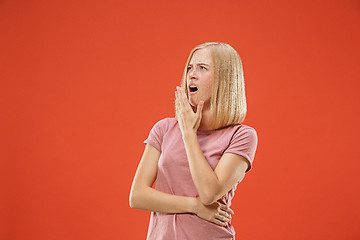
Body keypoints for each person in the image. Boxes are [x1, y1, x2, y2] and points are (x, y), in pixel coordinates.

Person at [129, 42, 258, 240]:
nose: (192, 74)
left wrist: (189, 134)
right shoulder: (163, 129)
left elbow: (209, 193)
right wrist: (194, 206)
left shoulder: (242, 136)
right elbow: (137, 196)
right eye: (190, 67)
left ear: (225, 79)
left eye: (202, 68)